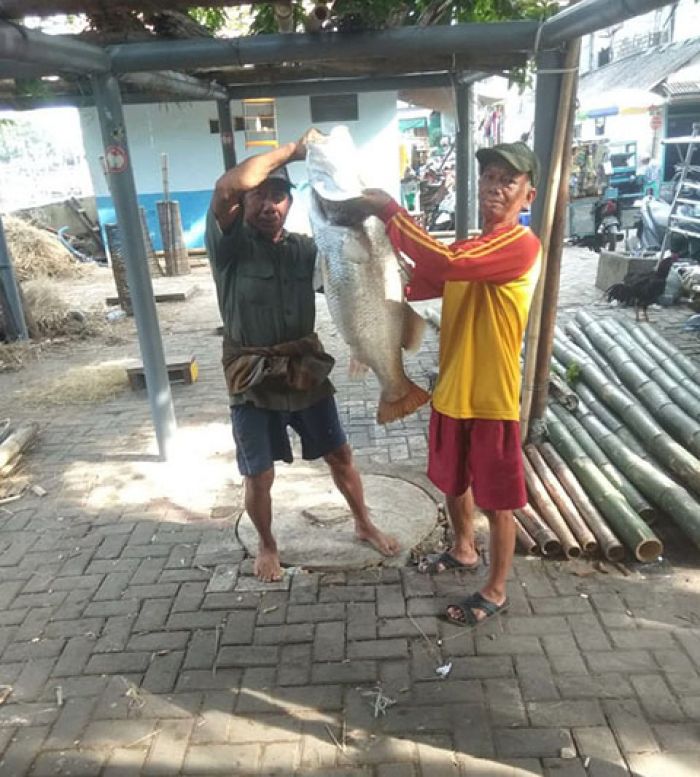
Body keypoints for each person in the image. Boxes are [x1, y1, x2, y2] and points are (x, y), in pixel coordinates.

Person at [360, 141, 541, 627]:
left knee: (500, 500)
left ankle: (497, 589)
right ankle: (463, 549)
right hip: (451, 389)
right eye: (489, 177)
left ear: (529, 195)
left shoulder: (520, 245)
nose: (495, 187)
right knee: (453, 480)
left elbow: (447, 266)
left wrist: (391, 212)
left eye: (508, 180)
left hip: (492, 396)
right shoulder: (467, 246)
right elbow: (427, 276)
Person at [205, 130, 399, 582]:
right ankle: (268, 544)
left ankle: (363, 522)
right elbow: (224, 189)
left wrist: (367, 200)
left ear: (291, 204)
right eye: (260, 196)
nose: (269, 205)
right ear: (245, 204)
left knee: (341, 455)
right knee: (259, 475)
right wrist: (294, 150)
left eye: (279, 197)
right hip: (251, 377)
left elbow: (356, 255)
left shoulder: (306, 249)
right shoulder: (228, 246)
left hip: (304, 371)